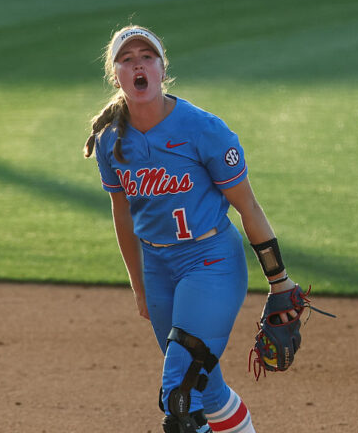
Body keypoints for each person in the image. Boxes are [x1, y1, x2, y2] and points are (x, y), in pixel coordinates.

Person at [83, 25, 301, 433]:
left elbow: (248, 207)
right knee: (209, 392)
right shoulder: (111, 139)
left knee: (179, 397)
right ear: (116, 76)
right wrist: (138, 284)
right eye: (127, 60)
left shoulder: (205, 130)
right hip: (158, 269)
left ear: (163, 69)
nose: (138, 65)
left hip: (210, 263)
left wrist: (280, 281)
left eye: (147, 57)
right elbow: (122, 214)